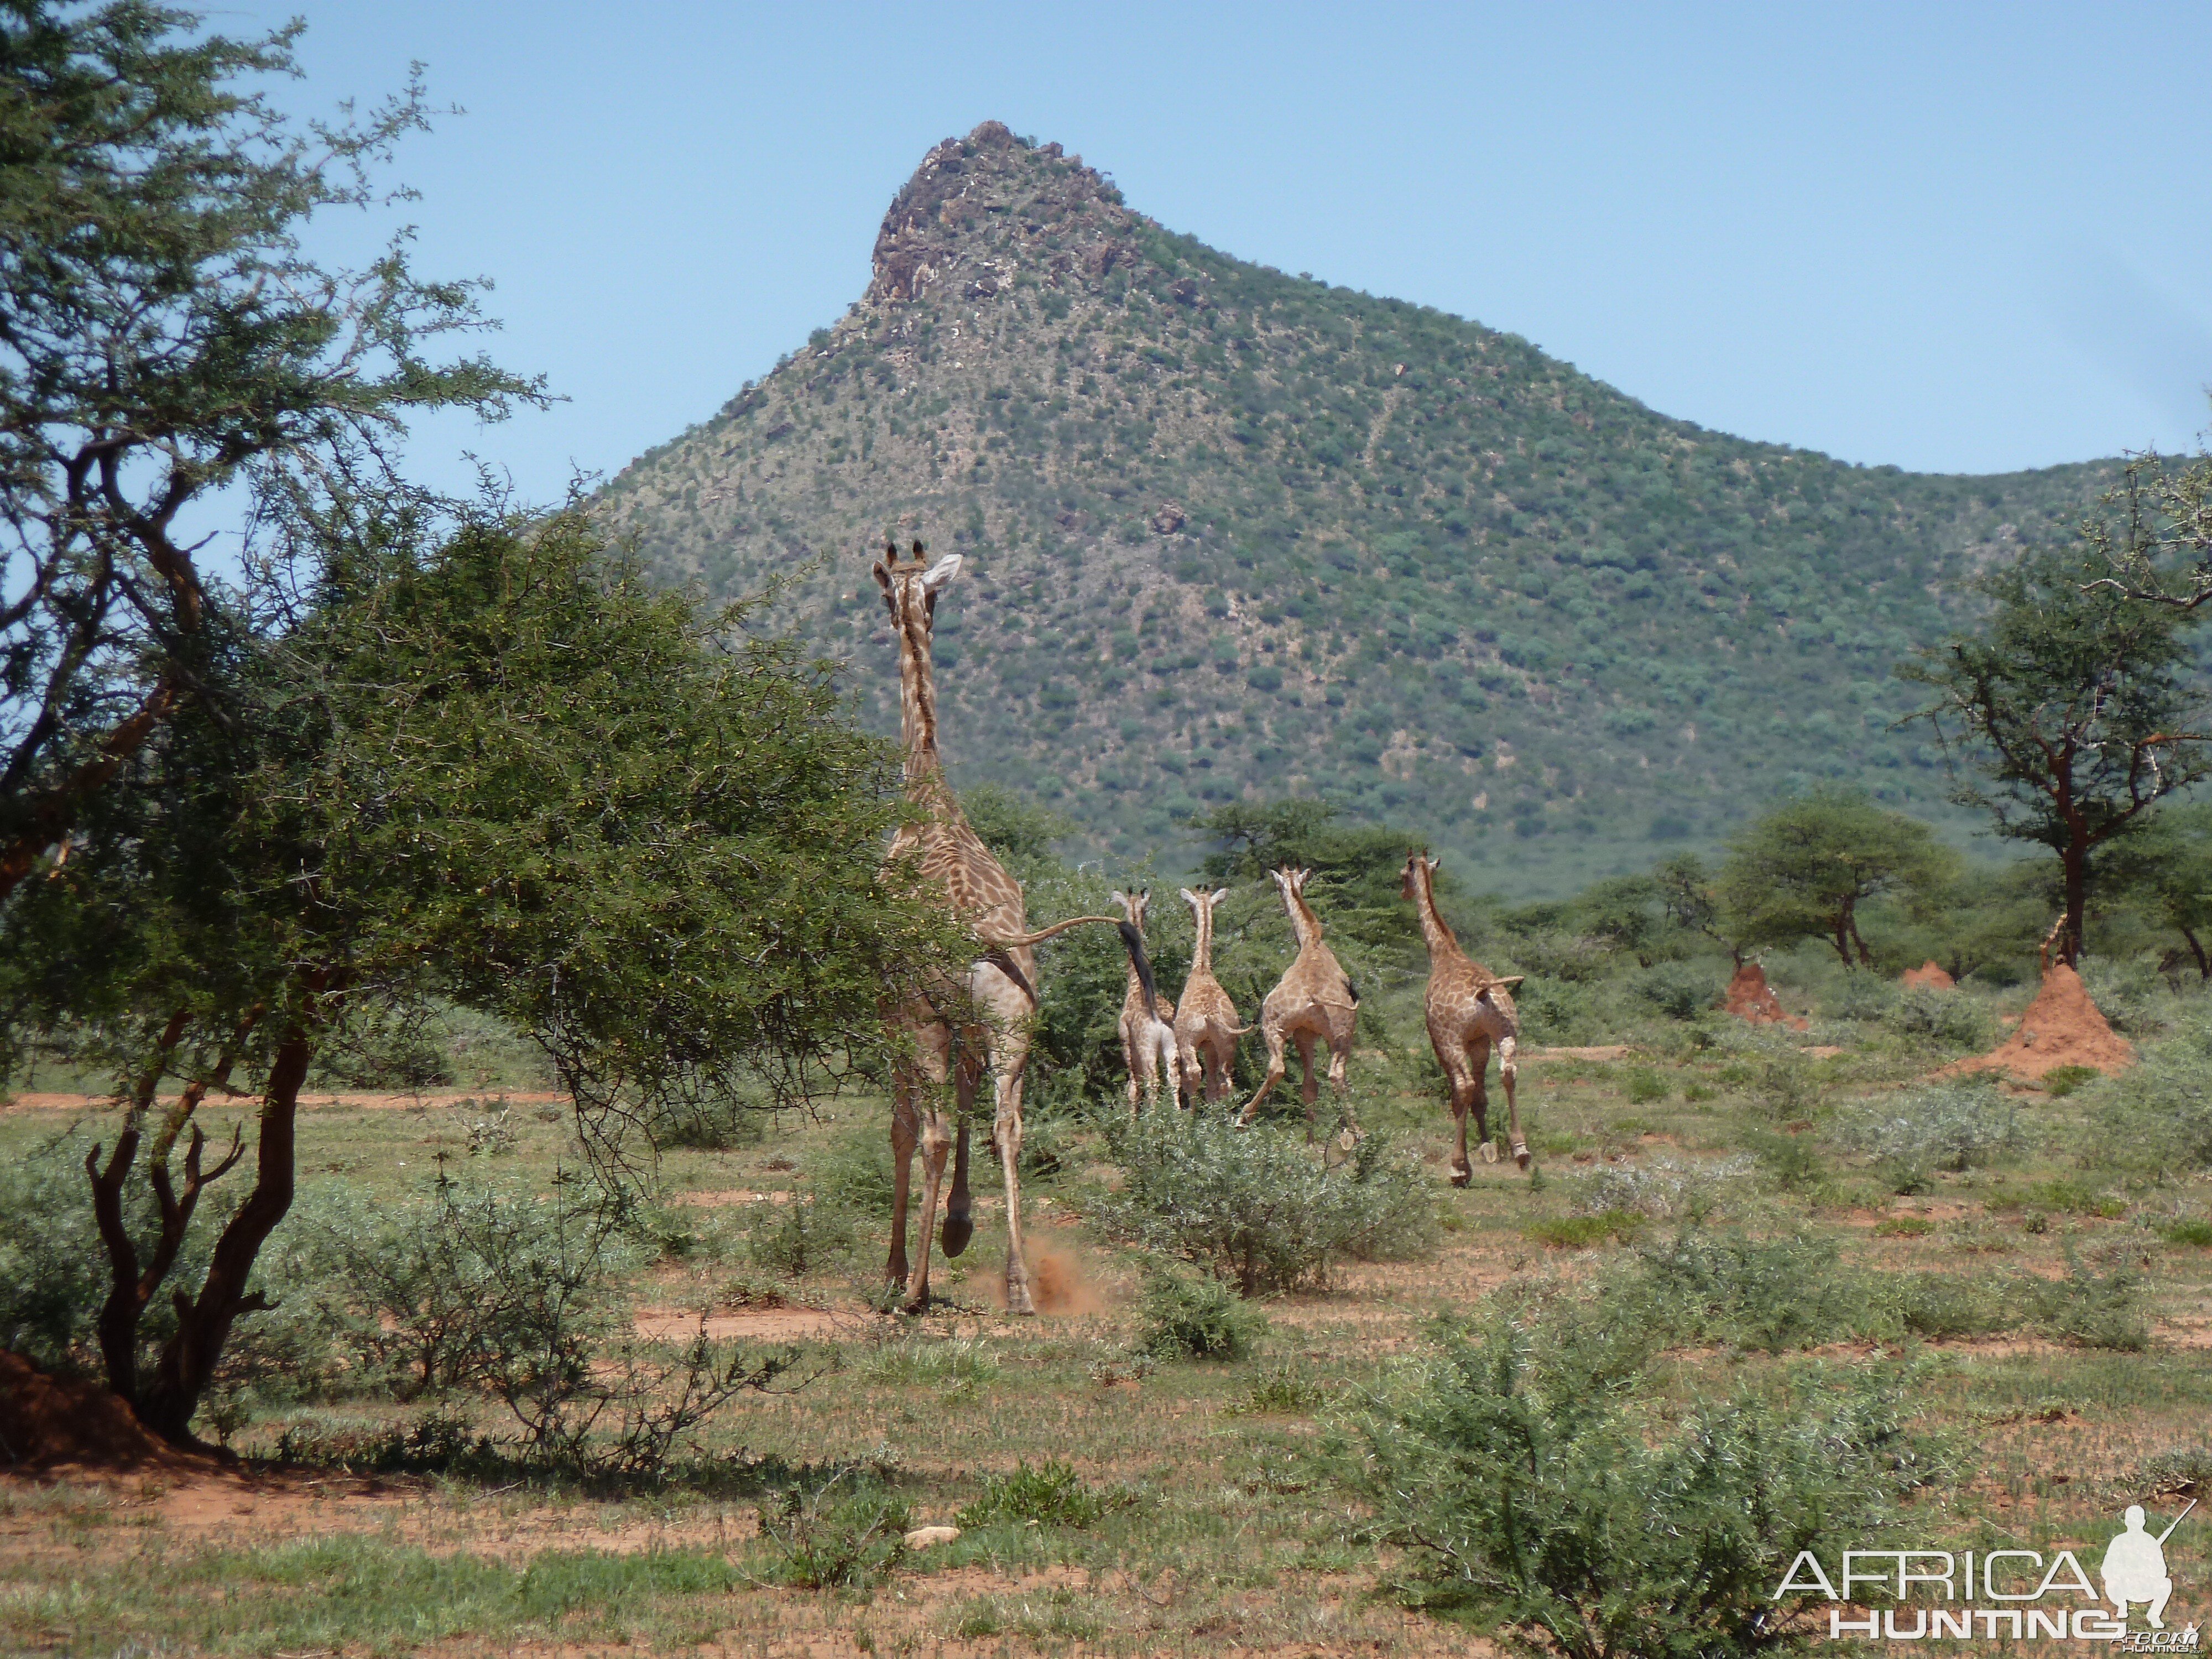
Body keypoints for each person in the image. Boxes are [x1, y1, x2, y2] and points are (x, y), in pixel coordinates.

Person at [2103, 1506, 2174, 1629]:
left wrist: (2145, 1571)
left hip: (2146, 1588)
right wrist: (2123, 1572)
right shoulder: (2118, 1541)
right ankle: (2121, 1605)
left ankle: (2154, 1614)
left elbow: (2162, 1571)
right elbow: (2106, 1570)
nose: (2134, 1524)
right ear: (2126, 1522)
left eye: (2136, 1521)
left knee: (2166, 1583)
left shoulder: (2150, 1542)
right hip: (2124, 1588)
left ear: (2143, 1522)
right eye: (2131, 1521)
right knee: (2111, 1583)